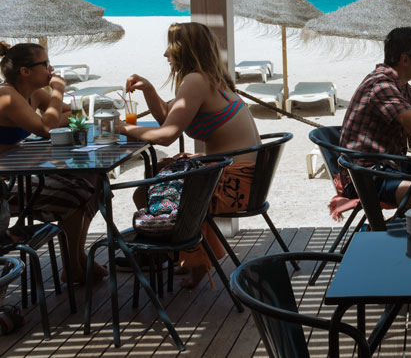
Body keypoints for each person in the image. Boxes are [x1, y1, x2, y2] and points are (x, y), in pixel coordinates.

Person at [120, 22, 261, 288]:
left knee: (146, 191)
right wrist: (149, 89)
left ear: (183, 50)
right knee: (155, 177)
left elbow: (166, 135)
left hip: (232, 183)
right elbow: (167, 117)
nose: (165, 55)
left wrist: (122, 128)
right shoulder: (211, 78)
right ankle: (181, 256)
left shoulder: (195, 80)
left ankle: (184, 257)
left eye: (170, 47)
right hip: (245, 174)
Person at [0, 41, 104, 284]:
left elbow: (72, 114)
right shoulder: (7, 95)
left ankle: (76, 259)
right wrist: (58, 91)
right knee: (76, 191)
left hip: (18, 172)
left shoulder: (32, 94)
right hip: (5, 187)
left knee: (94, 180)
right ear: (25, 71)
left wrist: (54, 114)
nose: (51, 69)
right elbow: (48, 126)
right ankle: (73, 264)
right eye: (45, 64)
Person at [333, 27, 411, 218]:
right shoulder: (381, 86)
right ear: (405, 59)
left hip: (389, 165)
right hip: (367, 175)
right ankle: (403, 231)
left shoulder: (399, 85)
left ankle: (405, 226)